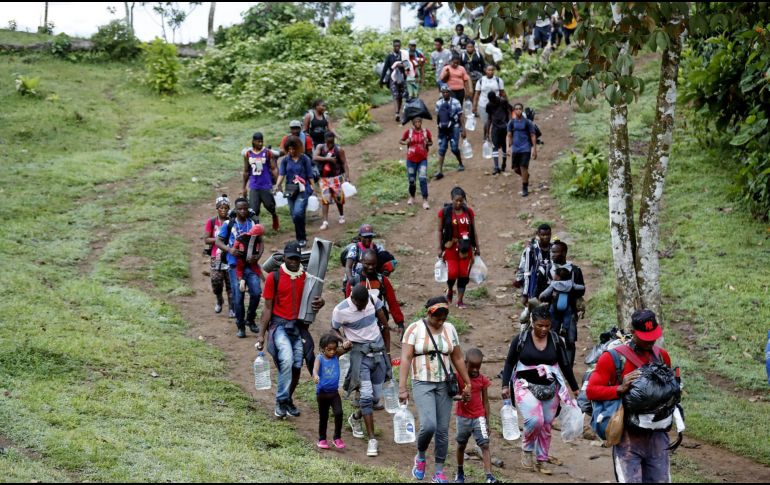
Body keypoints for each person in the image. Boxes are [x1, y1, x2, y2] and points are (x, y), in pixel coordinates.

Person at [586, 310, 674, 483]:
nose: (650, 340)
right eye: (645, 336)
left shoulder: (662, 356)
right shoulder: (613, 358)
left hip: (657, 436)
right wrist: (619, 388)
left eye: (653, 336)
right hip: (628, 437)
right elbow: (592, 391)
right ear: (633, 332)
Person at [399, 296, 473, 484]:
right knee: (429, 425)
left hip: (444, 384)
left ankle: (439, 472)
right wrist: (402, 388)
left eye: (443, 318)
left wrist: (467, 382)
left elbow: (457, 357)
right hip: (422, 382)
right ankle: (421, 457)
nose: (440, 322)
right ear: (428, 313)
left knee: (442, 430)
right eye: (436, 318)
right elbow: (406, 359)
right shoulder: (414, 329)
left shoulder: (450, 329)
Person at [501, 304, 579, 475]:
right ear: (532, 322)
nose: (543, 329)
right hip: (525, 386)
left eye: (547, 325)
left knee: (546, 424)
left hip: (550, 387)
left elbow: (565, 365)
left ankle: (542, 460)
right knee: (535, 420)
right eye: (539, 325)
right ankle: (527, 450)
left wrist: (575, 388)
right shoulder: (520, 339)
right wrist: (505, 385)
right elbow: (509, 363)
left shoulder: (556, 340)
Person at [257, 241, 325, 418]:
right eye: (291, 258)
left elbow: (315, 299)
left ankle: (287, 399)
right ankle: (281, 401)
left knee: (296, 366)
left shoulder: (307, 277)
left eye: (297, 258)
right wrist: (261, 336)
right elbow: (267, 308)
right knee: (286, 360)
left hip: (298, 327)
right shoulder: (274, 277)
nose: (294, 261)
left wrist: (320, 302)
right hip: (279, 326)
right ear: (284, 258)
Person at [332, 285, 393, 458]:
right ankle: (372, 440)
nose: (363, 306)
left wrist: (387, 353)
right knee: (366, 396)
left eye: (365, 303)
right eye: (360, 304)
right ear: (352, 298)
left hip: (379, 353)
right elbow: (334, 328)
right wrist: (343, 339)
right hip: (361, 356)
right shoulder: (340, 310)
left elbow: (385, 326)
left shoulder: (373, 300)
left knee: (375, 398)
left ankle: (356, 418)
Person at [215, 197, 260, 338]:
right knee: (238, 297)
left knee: (257, 293)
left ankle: (250, 319)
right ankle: (240, 326)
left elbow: (260, 241)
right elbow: (218, 241)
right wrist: (229, 250)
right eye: (239, 208)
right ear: (235, 209)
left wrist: (258, 256)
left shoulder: (252, 223)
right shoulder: (229, 224)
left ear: (248, 209)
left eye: (245, 208)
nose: (242, 211)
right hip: (234, 266)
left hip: (251, 265)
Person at [539, 241, 586, 367]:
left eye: (555, 252)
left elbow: (582, 290)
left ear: (564, 253)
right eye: (551, 252)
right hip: (552, 309)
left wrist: (568, 288)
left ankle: (568, 367)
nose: (552, 254)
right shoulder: (548, 269)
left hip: (569, 309)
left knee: (570, 339)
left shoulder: (575, 271)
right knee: (550, 336)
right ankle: (551, 364)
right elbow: (542, 290)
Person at [454, 348, 498, 483]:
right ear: (465, 363)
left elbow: (485, 401)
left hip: (479, 417)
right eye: (472, 367)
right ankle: (460, 472)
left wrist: (487, 421)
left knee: (485, 445)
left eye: (478, 367)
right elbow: (452, 396)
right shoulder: (458, 377)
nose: (475, 370)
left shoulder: (482, 380)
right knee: (461, 445)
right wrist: (461, 397)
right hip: (463, 417)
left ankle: (489, 476)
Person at [346, 249, 406, 343]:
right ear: (361, 262)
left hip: (380, 323)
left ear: (377, 263)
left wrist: (400, 323)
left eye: (373, 264)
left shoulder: (382, 280)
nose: (370, 267)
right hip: (360, 326)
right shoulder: (354, 282)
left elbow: (392, 302)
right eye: (367, 264)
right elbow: (348, 305)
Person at [437, 187, 480, 309]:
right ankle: (450, 289)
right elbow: (440, 230)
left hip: (466, 247)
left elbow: (474, 230)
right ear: (452, 199)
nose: (458, 203)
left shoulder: (469, 212)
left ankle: (460, 300)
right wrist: (439, 247)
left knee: (463, 274)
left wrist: (477, 246)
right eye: (456, 200)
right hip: (451, 246)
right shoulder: (444, 212)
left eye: (461, 201)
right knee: (452, 272)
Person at [273, 136, 316, 248]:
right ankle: (301, 234)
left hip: (303, 189)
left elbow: (310, 174)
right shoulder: (285, 160)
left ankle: (301, 238)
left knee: (298, 213)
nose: (291, 151)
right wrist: (277, 185)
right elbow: (282, 174)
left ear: (298, 148)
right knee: (294, 215)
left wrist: (313, 187)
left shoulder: (305, 159)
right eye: (289, 149)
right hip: (290, 189)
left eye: (293, 149)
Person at [313, 333, 347, 451]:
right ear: (322, 349)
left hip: (334, 393)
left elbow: (348, 348)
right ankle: (322, 439)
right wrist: (316, 375)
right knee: (324, 416)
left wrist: (343, 341)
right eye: (329, 349)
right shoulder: (320, 358)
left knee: (339, 413)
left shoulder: (336, 355)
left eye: (334, 349)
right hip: (322, 393)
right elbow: (315, 369)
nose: (332, 352)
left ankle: (337, 438)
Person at [514, 223, 554, 324]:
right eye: (543, 235)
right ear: (538, 234)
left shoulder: (553, 248)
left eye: (548, 235)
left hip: (549, 283)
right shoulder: (531, 250)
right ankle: (526, 329)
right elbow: (526, 272)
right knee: (533, 308)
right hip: (534, 283)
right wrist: (525, 294)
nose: (546, 237)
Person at [242, 132, 280, 231]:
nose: (260, 144)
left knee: (270, 205)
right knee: (254, 210)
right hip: (254, 185)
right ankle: (256, 229)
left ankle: (274, 215)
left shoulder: (267, 153)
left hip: (266, 185)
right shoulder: (248, 154)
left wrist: (278, 184)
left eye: (262, 141)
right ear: (253, 141)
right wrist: (244, 187)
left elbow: (274, 168)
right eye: (258, 142)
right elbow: (246, 171)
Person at [203, 194, 233, 317]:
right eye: (221, 208)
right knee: (216, 281)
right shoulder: (212, 222)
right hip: (216, 255)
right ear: (217, 208)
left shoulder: (232, 222)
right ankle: (219, 300)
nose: (224, 210)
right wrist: (219, 239)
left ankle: (232, 307)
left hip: (230, 255)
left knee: (230, 283)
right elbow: (206, 239)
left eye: (226, 208)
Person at [313, 131, 350, 230]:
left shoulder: (339, 150)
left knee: (338, 198)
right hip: (324, 178)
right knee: (325, 199)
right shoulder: (320, 147)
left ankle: (341, 215)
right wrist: (328, 159)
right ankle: (325, 221)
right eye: (328, 142)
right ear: (325, 140)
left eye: (332, 142)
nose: (330, 144)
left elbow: (344, 163)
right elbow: (314, 157)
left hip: (336, 178)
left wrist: (347, 176)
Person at [344, 224, 397, 288]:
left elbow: (388, 260)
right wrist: (351, 280)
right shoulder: (355, 248)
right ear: (360, 237)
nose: (368, 239)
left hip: (373, 278)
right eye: (365, 237)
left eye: (370, 237)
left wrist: (385, 272)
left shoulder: (377, 248)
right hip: (356, 278)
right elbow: (348, 267)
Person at [400, 117, 433, 210]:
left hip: (422, 159)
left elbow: (431, 142)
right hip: (411, 160)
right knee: (411, 180)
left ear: (421, 122)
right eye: (416, 122)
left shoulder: (426, 132)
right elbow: (401, 140)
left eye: (419, 122)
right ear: (413, 123)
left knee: (422, 179)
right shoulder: (409, 132)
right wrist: (406, 141)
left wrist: (427, 142)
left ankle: (425, 199)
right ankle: (412, 197)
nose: (418, 123)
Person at [434, 86, 466, 179]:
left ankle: (460, 163)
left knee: (454, 148)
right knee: (442, 148)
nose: (445, 94)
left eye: (447, 92)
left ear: (449, 92)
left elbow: (460, 116)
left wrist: (463, 129)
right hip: (443, 128)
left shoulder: (456, 102)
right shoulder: (439, 103)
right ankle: (439, 170)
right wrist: (438, 129)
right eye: (443, 92)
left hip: (454, 127)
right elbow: (438, 117)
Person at [507, 102, 538, 197]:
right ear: (514, 111)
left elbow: (533, 135)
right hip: (516, 149)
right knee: (516, 169)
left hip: (526, 148)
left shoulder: (527, 122)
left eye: (520, 108)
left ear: (522, 110)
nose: (518, 110)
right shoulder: (511, 122)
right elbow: (509, 135)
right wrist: (508, 147)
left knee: (523, 167)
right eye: (516, 109)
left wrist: (534, 149)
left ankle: (525, 187)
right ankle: (526, 176)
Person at [232, 224, 265, 302]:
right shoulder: (257, 239)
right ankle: (264, 280)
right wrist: (256, 255)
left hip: (241, 258)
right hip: (251, 259)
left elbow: (235, 245)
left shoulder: (242, 236)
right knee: (257, 269)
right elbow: (258, 247)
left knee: (239, 270)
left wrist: (235, 249)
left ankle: (241, 281)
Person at [473, 65, 506, 142]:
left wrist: (506, 103)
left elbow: (502, 93)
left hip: (496, 105)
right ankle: (486, 135)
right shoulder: (480, 81)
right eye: (489, 70)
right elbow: (477, 94)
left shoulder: (498, 80)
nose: (490, 72)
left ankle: (497, 137)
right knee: (486, 121)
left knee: (496, 121)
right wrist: (474, 106)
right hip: (483, 104)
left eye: (492, 70)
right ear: (485, 70)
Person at [485, 92, 512, 175]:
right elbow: (489, 118)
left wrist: (510, 124)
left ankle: (503, 163)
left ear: (495, 98)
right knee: (495, 147)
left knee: (504, 147)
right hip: (495, 128)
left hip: (504, 127)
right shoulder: (489, 105)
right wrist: (487, 132)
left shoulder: (503, 101)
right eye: (490, 101)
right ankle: (496, 167)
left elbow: (510, 111)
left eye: (493, 100)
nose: (492, 102)